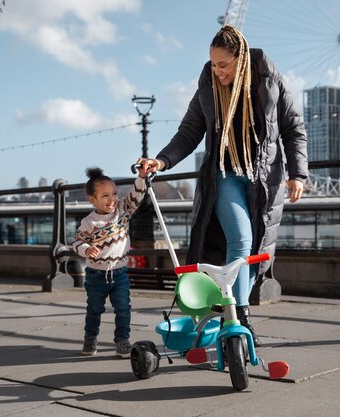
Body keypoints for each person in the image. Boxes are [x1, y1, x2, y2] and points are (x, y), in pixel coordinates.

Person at [138, 24, 308, 346]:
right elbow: (189, 131)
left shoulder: (269, 80)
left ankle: (235, 317)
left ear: (241, 59)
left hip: (262, 180)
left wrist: (298, 174)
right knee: (240, 241)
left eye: (223, 65)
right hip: (224, 175)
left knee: (253, 249)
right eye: (213, 64)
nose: (217, 72)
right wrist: (161, 161)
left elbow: (293, 129)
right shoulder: (208, 84)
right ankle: (240, 318)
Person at [72, 165, 148, 357]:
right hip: (96, 275)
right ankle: (90, 338)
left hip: (120, 272)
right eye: (105, 196)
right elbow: (77, 242)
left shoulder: (123, 211)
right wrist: (87, 249)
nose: (112, 199)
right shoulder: (89, 222)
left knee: (123, 308)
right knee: (94, 309)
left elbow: (136, 195)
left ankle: (123, 340)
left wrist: (141, 177)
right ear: (93, 200)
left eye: (114, 193)